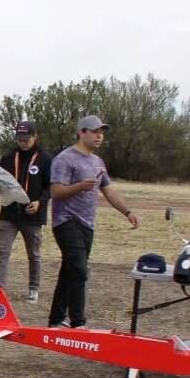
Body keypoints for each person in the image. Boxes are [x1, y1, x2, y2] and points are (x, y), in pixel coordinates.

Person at [47, 115, 139, 328]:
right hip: (66, 221)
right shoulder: (65, 159)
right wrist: (79, 186)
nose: (99, 136)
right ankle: (78, 323)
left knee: (70, 270)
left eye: (102, 132)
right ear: (81, 132)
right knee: (80, 270)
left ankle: (56, 320)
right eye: (94, 131)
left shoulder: (98, 162)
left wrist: (127, 212)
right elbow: (56, 191)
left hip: (87, 224)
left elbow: (108, 190)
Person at [0, 120, 52, 303]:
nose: (23, 142)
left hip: (33, 215)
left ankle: (33, 288)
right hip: (9, 214)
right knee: (2, 251)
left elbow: (51, 187)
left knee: (33, 253)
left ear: (35, 137)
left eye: (27, 138)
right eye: (20, 138)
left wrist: (40, 203)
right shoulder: (8, 158)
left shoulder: (45, 159)